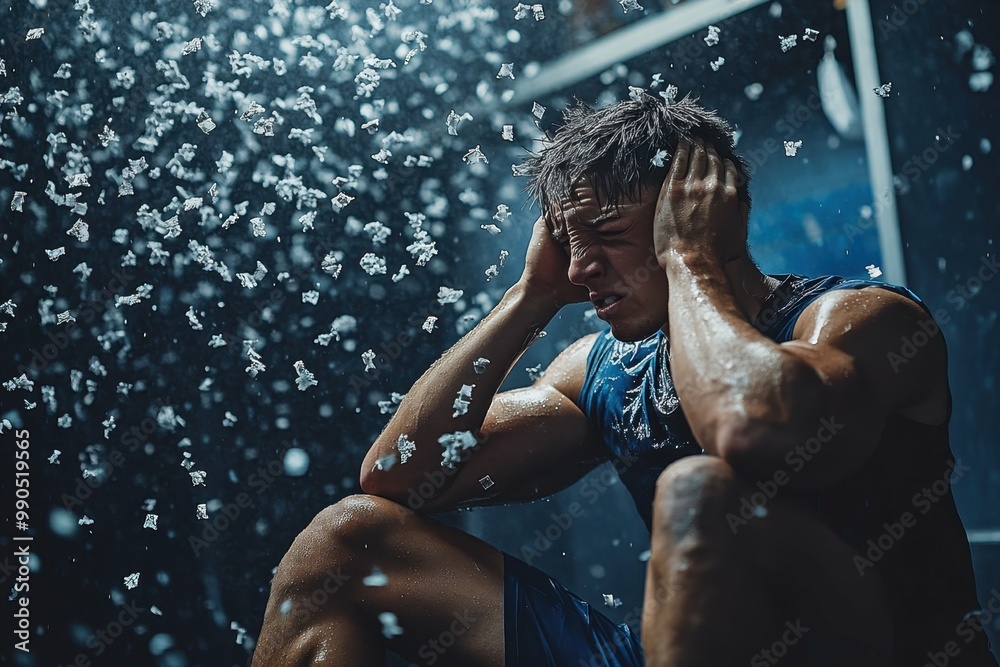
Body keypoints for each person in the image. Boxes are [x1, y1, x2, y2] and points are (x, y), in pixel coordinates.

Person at [251, 93, 998, 666]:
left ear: (701, 215)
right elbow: (398, 476)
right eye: (569, 244)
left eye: (605, 236)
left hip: (879, 648)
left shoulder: (861, 321)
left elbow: (752, 428)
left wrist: (691, 262)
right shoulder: (606, 366)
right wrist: (529, 299)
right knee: (344, 541)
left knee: (699, 492)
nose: (581, 268)